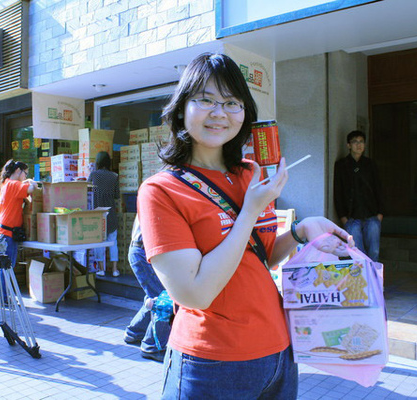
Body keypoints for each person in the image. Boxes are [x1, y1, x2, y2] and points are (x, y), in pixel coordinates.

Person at [137, 53, 353, 399]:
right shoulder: (161, 190)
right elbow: (194, 293)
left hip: (280, 350)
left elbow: (261, 256)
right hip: (212, 362)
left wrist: (300, 230)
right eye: (205, 99)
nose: (219, 112)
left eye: (231, 102)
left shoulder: (250, 173)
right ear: (182, 109)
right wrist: (249, 211)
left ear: (244, 113)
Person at [0, 160, 37, 306]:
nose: (25, 176)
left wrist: (26, 181)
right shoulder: (14, 184)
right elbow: (32, 189)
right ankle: (2, 299)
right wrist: (31, 182)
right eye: (25, 173)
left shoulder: (5, 183)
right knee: (6, 268)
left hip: (0, 231)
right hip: (6, 235)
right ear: (18, 171)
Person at [123, 216, 171, 362]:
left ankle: (134, 332)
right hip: (144, 253)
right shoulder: (157, 195)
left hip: (144, 252)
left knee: (154, 295)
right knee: (164, 300)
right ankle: (152, 346)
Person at [334, 130, 384, 261]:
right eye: (355, 142)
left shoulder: (370, 164)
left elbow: (378, 188)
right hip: (352, 217)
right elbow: (337, 192)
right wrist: (343, 217)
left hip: (372, 215)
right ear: (348, 145)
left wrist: (380, 213)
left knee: (374, 251)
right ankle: (362, 282)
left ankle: (374, 281)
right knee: (357, 254)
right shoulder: (341, 165)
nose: (359, 145)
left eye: (361, 141)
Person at [88, 151, 120, 277]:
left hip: (97, 213)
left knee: (99, 242)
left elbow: (88, 191)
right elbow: (117, 196)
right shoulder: (114, 176)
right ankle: (115, 270)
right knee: (113, 242)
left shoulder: (93, 175)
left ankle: (101, 269)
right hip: (111, 212)